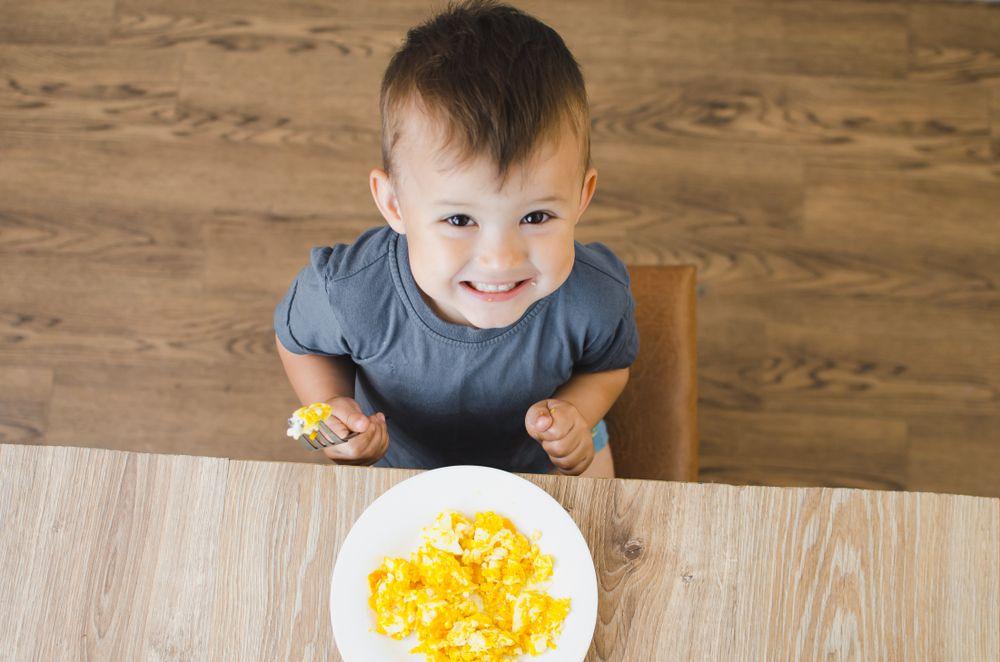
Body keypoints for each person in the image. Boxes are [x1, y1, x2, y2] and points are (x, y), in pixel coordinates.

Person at [274, 0, 638, 477]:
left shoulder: (597, 296)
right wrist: (330, 410)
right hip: (399, 461)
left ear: (582, 196)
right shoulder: (347, 292)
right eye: (461, 220)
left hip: (541, 460)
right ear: (395, 205)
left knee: (600, 530)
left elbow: (608, 367)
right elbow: (301, 343)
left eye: (536, 215)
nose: (499, 259)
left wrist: (578, 413)